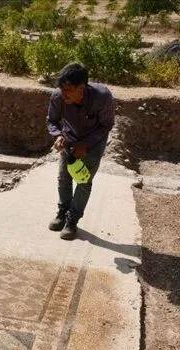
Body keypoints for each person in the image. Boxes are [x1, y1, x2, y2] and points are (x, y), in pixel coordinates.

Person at [46, 63, 115, 240]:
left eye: (68, 90)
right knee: (64, 177)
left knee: (83, 180)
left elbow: (106, 125)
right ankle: (62, 212)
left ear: (81, 88)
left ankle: (72, 221)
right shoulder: (58, 96)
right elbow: (52, 121)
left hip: (94, 142)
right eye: (61, 89)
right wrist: (58, 135)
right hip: (69, 138)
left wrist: (85, 145)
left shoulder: (102, 97)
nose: (64, 94)